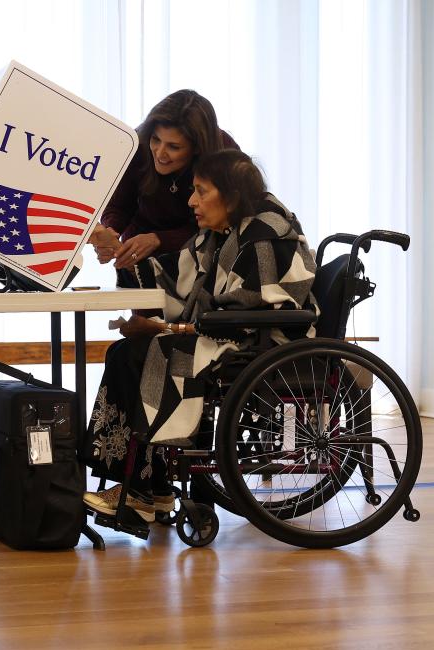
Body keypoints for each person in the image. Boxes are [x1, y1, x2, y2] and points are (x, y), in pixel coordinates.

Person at [83, 150, 318, 522]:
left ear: (231, 194)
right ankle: (152, 488)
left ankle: (142, 489)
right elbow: (179, 273)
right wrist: (122, 254)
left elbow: (253, 313)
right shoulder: (227, 231)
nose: (191, 201)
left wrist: (164, 327)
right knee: (126, 351)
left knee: (148, 351)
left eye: (200, 191)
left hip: (263, 343)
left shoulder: (262, 236)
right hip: (232, 334)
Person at [89, 90, 239, 282]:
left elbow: (225, 224)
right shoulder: (138, 145)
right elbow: (118, 206)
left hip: (204, 258)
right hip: (140, 255)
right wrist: (110, 236)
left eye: (173, 147)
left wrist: (159, 239)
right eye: (156, 140)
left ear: (198, 147)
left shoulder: (224, 155)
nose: (159, 153)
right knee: (145, 314)